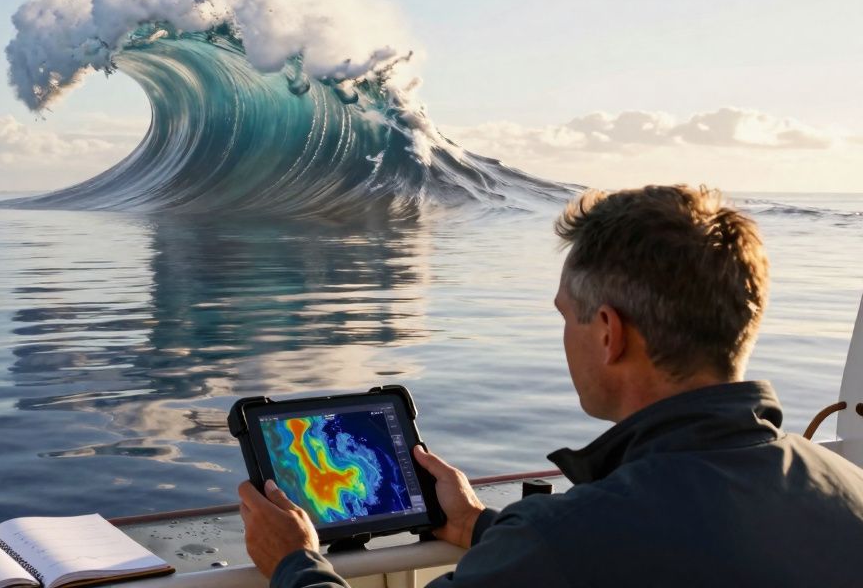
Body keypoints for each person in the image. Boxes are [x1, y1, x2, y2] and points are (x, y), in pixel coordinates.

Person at [238, 185, 863, 587]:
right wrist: (480, 528)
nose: (565, 334)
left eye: (567, 315)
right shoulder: (849, 491)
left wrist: (294, 562)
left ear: (609, 334)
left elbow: (594, 544)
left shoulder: (565, 544)